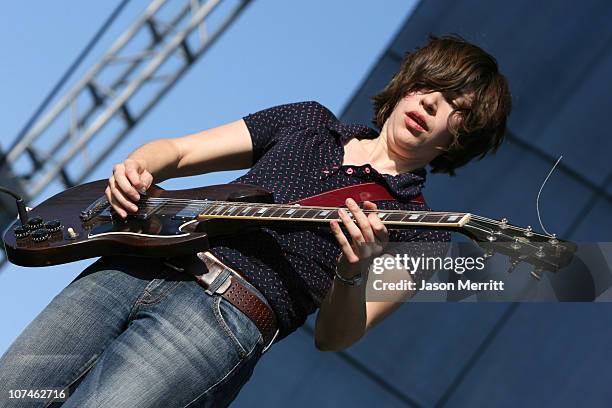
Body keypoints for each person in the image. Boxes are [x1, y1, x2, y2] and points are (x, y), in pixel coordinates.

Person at [0, 35, 511, 407]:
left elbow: (335, 336)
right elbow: (177, 151)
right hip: (126, 270)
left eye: (455, 107)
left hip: (218, 322)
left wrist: (354, 270)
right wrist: (139, 167)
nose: (430, 103)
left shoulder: (426, 230)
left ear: (458, 141)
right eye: (431, 86)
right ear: (407, 84)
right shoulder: (308, 120)